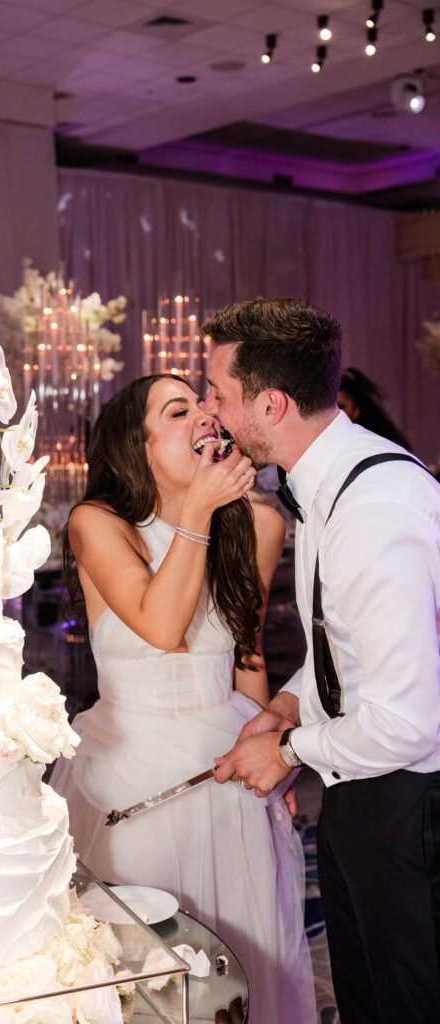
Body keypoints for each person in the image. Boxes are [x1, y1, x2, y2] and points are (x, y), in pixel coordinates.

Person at [51, 374, 317, 1024]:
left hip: (221, 753)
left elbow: (247, 649)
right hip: (128, 762)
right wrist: (195, 510)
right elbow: (161, 625)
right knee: (143, 966)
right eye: (178, 410)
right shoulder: (98, 522)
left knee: (240, 950)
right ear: (133, 447)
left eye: (203, 403)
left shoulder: (255, 523)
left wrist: (268, 746)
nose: (205, 415)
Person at [204, 298, 440, 1024]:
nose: (210, 412)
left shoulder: (373, 509)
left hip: (409, 801)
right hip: (358, 785)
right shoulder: (324, 487)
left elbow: (408, 723)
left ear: (270, 403)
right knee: (367, 992)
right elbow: (343, 648)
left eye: (217, 392)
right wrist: (287, 704)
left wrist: (287, 749)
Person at [337, 366, 412, 450]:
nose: (335, 411)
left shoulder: (379, 447)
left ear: (357, 411)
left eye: (341, 406)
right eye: (330, 406)